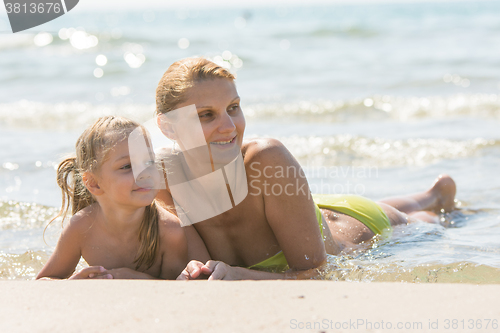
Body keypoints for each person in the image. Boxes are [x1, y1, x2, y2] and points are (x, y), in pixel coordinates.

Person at [155, 57, 457, 280]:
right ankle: (432, 194)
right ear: (168, 128)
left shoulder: (265, 160)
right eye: (206, 115)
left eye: (233, 107)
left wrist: (241, 277)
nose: (230, 126)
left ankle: (435, 196)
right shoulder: (164, 179)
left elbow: (318, 273)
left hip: (356, 228)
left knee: (424, 220)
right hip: (301, 210)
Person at [36, 116, 209, 280]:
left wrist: (131, 278)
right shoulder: (82, 227)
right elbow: (43, 281)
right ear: (93, 183)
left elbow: (175, 288)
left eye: (149, 162)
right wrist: (73, 283)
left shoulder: (168, 230)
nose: (144, 173)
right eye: (127, 166)